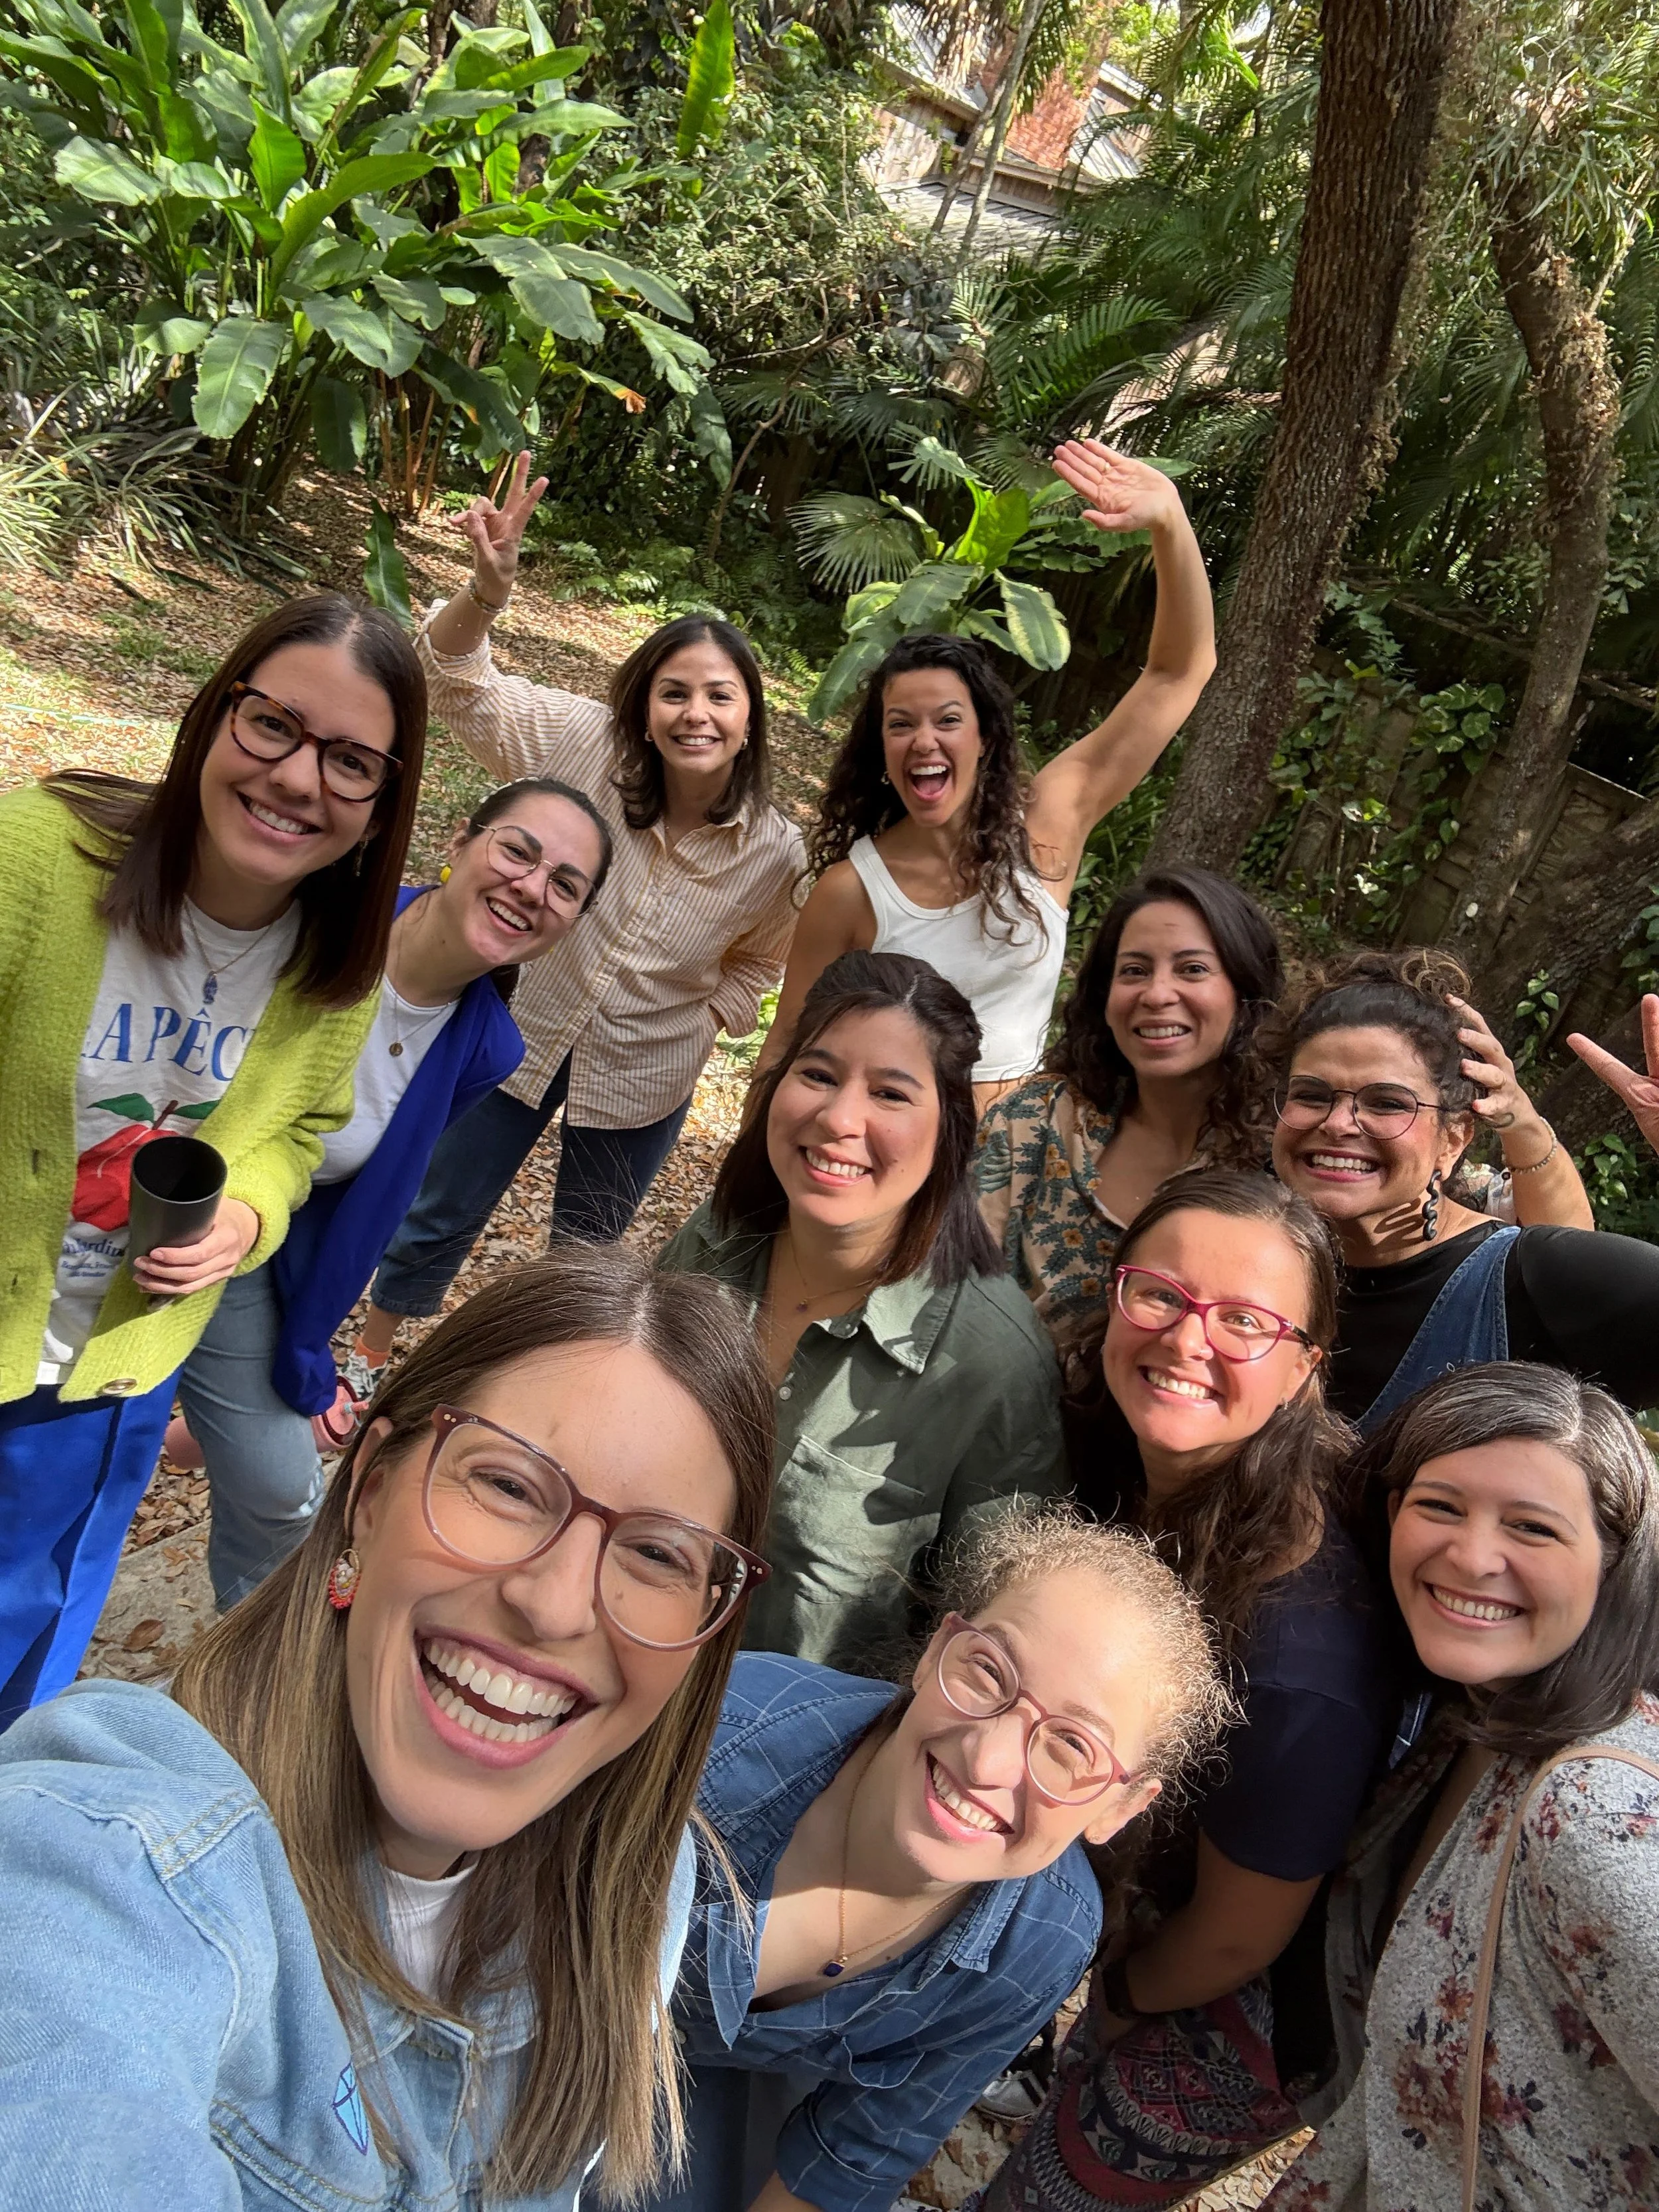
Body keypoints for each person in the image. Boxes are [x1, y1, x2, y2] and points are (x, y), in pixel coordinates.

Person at [0, 1246, 775, 2206]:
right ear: (367, 1492)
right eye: (507, 1486)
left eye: (658, 1552)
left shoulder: (638, 1890)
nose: (554, 1604)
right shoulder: (109, 1853)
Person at [0, 592, 425, 1727]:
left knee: (29, 1644)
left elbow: (294, 1135)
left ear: (384, 800)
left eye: (350, 761)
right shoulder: (41, 858)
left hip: (110, 1373)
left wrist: (247, 1214)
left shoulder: (334, 966)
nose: (297, 778)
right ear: (215, 713)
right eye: (273, 725)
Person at [979, 1169, 1396, 2212]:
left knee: (1050, 2192)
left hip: (1254, 1996)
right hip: (1153, 1890)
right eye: (1159, 1294)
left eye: (1245, 1321)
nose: (1187, 1338)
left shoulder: (1302, 1652)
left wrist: (1114, 1996)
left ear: (1307, 1368)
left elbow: (1236, 1933)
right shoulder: (1118, 1449)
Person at [646, 1507, 1232, 2212]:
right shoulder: (716, 1733)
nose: (987, 1759)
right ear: (936, 1652)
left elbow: (859, 2152)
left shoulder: (1043, 1940)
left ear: (1121, 1807)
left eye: (1072, 1747)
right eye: (987, 1673)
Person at [369, 452, 804, 1337]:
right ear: (644, 706)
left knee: (587, 1250)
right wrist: (485, 595)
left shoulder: (776, 851)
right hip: (517, 1031)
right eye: (673, 692)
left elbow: (768, 956)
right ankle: (373, 1350)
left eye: (719, 696)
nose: (696, 714)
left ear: (749, 716)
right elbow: (453, 683)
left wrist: (712, 1012)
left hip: (649, 1069)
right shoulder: (580, 743)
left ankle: (541, 1378)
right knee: (439, 1205)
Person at [167, 776, 613, 1610]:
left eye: (565, 885)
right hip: (136, 1198)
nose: (531, 887)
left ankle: (237, 1672)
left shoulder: (486, 1047)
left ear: (571, 926)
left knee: (285, 1497)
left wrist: (294, 1345)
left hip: (251, 1254)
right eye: (518, 850)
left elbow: (359, 1198)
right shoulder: (319, 919)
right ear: (458, 845)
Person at [1264, 1362, 1659, 2211]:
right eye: (1440, 1507)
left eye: (1534, 1529)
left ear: (1614, 1564)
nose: (1473, 1556)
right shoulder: (1472, 1719)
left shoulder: (1586, 1820)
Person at [762, 443, 1216, 1112]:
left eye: (947, 719)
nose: (923, 740)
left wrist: (1170, 524)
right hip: (892, 1165)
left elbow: (1179, 671)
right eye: (899, 724)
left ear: (984, 738)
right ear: (878, 750)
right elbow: (785, 1050)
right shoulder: (854, 890)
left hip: (1015, 1166)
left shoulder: (1051, 821)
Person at [656, 950, 1066, 1670]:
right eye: (817, 1075)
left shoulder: (993, 1362)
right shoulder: (715, 1240)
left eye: (890, 1094)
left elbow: (989, 1636)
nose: (840, 1117)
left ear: (948, 1133)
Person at [1260, 949, 1659, 1434]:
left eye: (1387, 1103)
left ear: (1454, 1138)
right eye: (1312, 1095)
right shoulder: (1229, 1256)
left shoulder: (1534, 1281)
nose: (1339, 1123)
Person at [975, 867, 1281, 1333]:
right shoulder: (1034, 1123)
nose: (1157, 994)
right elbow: (945, 1291)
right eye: (1134, 971)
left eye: (1192, 969)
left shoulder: (1280, 1163)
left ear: (1245, 993)